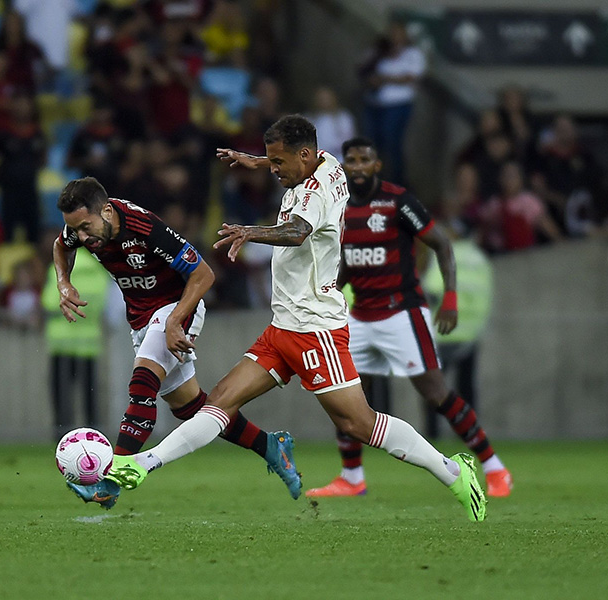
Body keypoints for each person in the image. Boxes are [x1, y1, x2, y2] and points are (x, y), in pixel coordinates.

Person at [96, 116, 488, 522]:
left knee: (359, 423)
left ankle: (455, 473)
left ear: (303, 156)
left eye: (278, 162)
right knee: (219, 403)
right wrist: (257, 161)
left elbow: (297, 232)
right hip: (283, 327)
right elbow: (296, 165)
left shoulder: (313, 193)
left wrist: (251, 231)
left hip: (315, 329)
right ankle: (142, 465)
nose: (276, 169)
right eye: (273, 161)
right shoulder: (327, 162)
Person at [53, 176, 300, 509]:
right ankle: (270, 446)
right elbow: (61, 245)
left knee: (142, 384)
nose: (82, 237)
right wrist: (63, 282)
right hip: (142, 317)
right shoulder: (80, 230)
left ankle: (111, 480)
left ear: (107, 211)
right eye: (76, 230)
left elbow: (203, 274)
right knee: (191, 408)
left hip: (178, 306)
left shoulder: (143, 227)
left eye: (86, 227)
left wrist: (173, 321)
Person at [302, 136, 511, 500]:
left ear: (376, 165)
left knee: (435, 392)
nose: (358, 166)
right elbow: (349, 263)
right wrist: (329, 291)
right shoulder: (339, 207)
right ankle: (352, 476)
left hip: (402, 311)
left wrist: (449, 298)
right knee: (345, 396)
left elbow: (442, 244)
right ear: (345, 166)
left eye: (365, 159)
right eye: (351, 160)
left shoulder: (397, 201)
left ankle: (494, 468)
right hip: (360, 315)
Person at [421, 232, 493, 439]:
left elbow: (433, 291)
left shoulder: (444, 252)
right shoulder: (480, 259)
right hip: (470, 331)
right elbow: (487, 294)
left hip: (443, 332)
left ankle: (433, 435)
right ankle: (471, 434)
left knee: (434, 390)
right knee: (467, 388)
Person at [42, 250, 108, 438]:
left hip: (61, 343)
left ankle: (63, 438)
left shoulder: (59, 268)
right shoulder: (98, 271)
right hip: (89, 344)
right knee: (90, 397)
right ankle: (94, 438)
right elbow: (102, 305)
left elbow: (49, 303)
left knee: (62, 398)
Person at [360, 21, 425, 184]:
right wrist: (372, 80)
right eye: (392, 33)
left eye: (399, 33)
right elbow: (363, 70)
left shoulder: (413, 54)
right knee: (372, 145)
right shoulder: (378, 51)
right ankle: (373, 182)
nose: (395, 37)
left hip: (398, 105)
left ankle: (398, 181)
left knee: (392, 142)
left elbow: (411, 77)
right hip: (374, 104)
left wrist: (384, 78)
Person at [0, 91, 47, 243]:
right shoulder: (3, 133)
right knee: (7, 235)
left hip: (30, 190)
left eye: (26, 104)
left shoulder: (38, 134)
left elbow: (43, 159)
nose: (22, 108)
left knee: (33, 235)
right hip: (9, 192)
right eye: (18, 103)